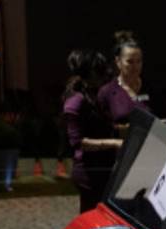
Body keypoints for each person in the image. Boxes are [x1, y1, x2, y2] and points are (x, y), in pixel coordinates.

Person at [62, 49, 122, 213]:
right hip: (89, 173)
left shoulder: (93, 96)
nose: (106, 75)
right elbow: (78, 142)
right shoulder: (76, 100)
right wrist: (114, 143)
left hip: (103, 169)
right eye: (101, 71)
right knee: (92, 216)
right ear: (91, 74)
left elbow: (101, 125)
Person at [97, 31, 150, 129]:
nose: (135, 67)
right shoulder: (107, 92)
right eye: (130, 62)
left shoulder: (150, 87)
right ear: (118, 62)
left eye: (138, 61)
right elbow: (101, 128)